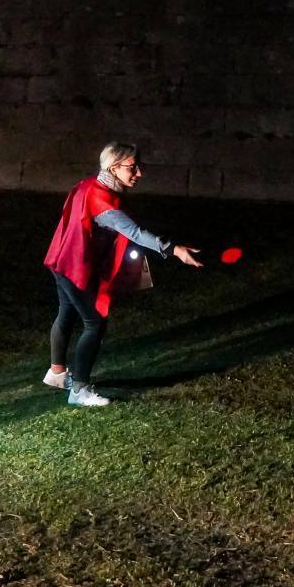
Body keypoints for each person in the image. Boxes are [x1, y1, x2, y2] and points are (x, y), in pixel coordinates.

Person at [42, 142, 203, 405]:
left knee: (67, 313)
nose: (139, 173)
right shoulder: (102, 200)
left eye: (140, 166)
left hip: (61, 260)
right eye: (133, 167)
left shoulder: (88, 185)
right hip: (73, 266)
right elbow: (135, 233)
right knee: (94, 323)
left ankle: (57, 373)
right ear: (114, 168)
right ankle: (79, 390)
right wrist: (174, 250)